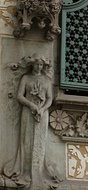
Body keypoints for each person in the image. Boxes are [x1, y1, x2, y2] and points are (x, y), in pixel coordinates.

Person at [3, 54, 61, 189]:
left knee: (40, 142)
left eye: (41, 65)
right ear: (32, 65)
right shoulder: (26, 78)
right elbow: (19, 95)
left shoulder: (46, 80)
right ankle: (25, 171)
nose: (38, 67)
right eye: (36, 64)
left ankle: (38, 171)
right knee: (26, 140)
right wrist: (31, 105)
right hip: (28, 112)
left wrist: (42, 109)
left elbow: (49, 98)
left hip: (42, 114)